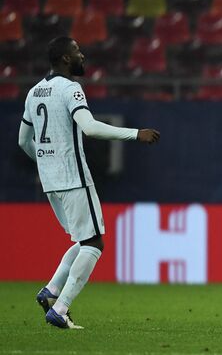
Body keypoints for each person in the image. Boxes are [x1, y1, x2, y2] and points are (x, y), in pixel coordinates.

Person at [18, 36, 160, 329]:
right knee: (94, 243)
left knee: (84, 239)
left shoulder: (33, 92)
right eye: (77, 52)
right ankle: (60, 307)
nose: (82, 56)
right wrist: (136, 134)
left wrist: (45, 163)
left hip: (50, 181)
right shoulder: (71, 89)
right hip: (73, 176)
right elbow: (90, 128)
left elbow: (23, 141)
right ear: (65, 59)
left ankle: (51, 290)